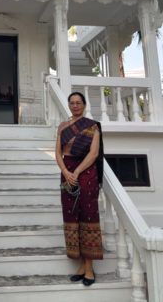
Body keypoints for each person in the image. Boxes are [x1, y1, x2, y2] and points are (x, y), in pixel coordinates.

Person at [55, 91, 104, 287]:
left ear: (84, 105)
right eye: (72, 103)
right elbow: (58, 153)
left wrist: (76, 172)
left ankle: (89, 267)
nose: (75, 105)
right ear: (69, 105)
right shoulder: (62, 127)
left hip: (86, 172)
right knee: (71, 215)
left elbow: (93, 154)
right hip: (67, 172)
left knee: (88, 215)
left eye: (78, 102)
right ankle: (82, 265)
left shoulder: (92, 126)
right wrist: (66, 172)